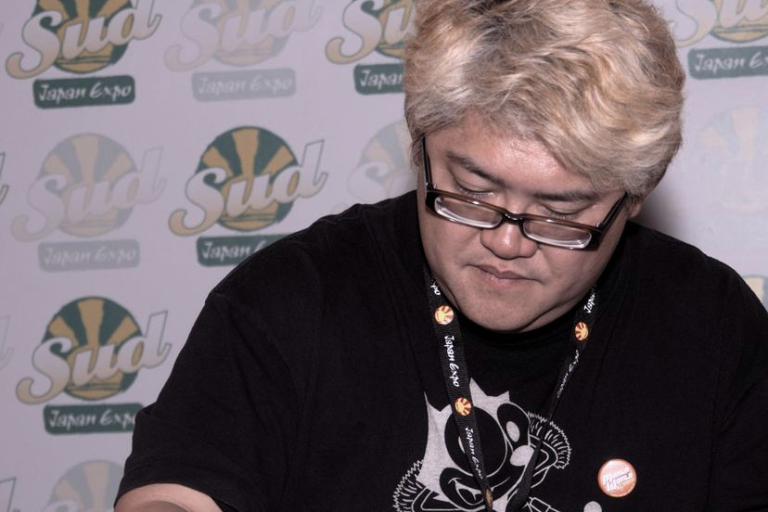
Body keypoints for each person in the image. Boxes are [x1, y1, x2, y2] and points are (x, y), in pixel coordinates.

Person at [116, 0, 768, 510]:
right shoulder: (292, 299)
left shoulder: (713, 328)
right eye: (472, 192)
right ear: (419, 145)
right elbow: (172, 493)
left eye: (562, 213)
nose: (507, 241)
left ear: (635, 198)